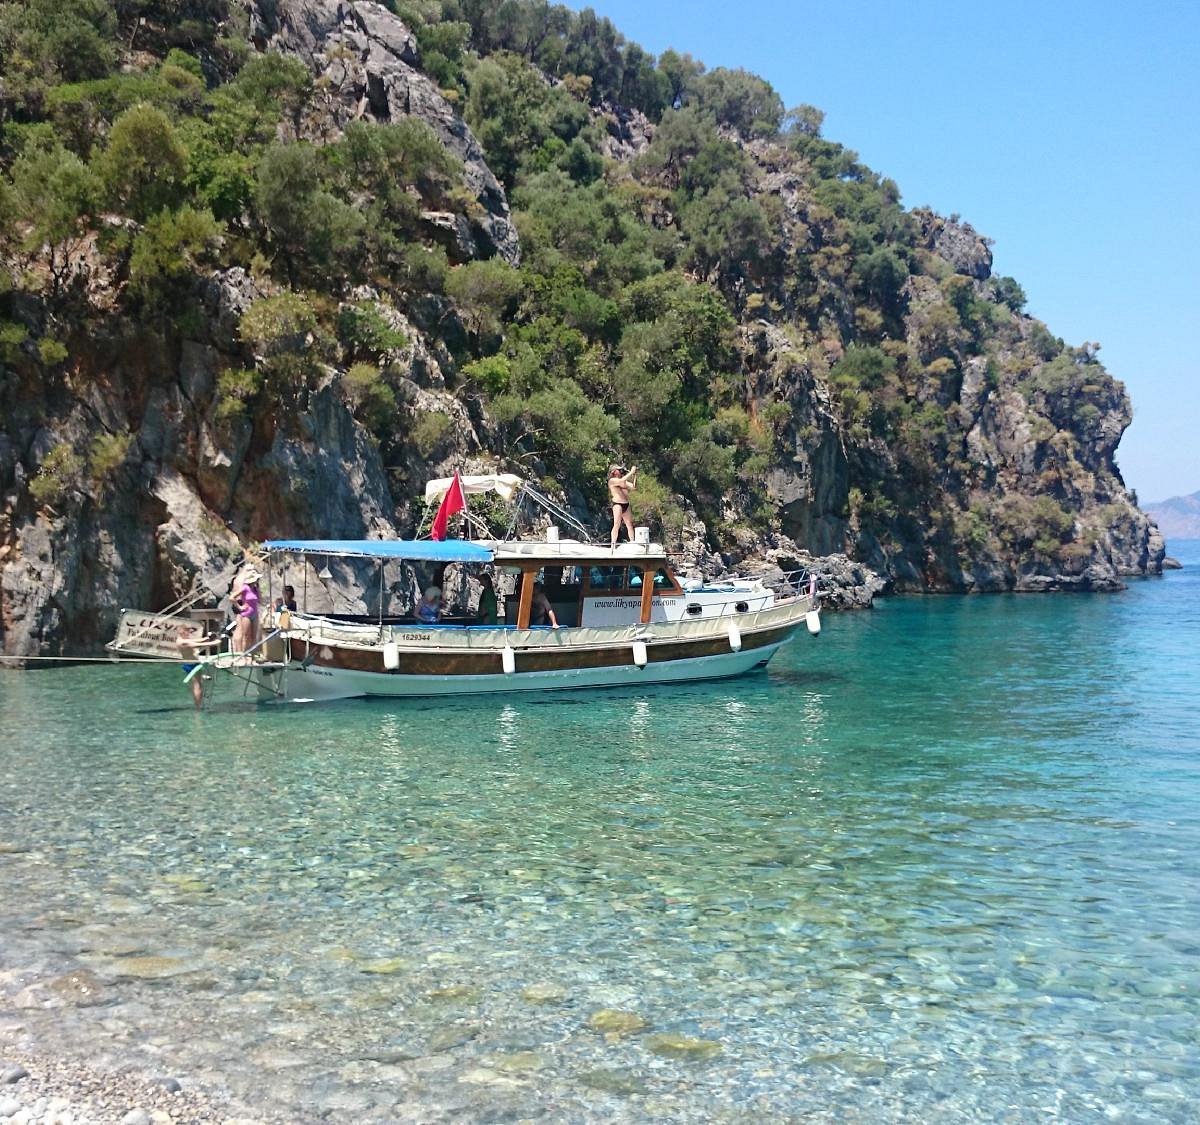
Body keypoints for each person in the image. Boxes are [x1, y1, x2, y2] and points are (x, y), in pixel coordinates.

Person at [176, 624, 220, 710]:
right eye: (188, 632)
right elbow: (195, 644)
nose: (189, 633)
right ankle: (198, 707)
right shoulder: (183, 642)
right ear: (183, 632)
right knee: (197, 686)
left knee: (197, 684)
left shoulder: (181, 640)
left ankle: (198, 704)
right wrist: (214, 643)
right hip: (192, 665)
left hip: (189, 664)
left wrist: (204, 639)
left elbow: (194, 641)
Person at [230, 568, 260, 654]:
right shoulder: (245, 588)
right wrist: (240, 607)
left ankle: (252, 656)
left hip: (255, 613)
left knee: (253, 637)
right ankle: (244, 655)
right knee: (246, 636)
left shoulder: (255, 589)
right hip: (246, 614)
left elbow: (259, 600)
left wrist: (258, 589)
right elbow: (232, 597)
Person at [608, 464, 638, 549]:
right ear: (613, 471)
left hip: (626, 504)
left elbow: (633, 487)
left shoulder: (623, 481)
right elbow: (621, 481)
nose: (620, 471)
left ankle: (633, 542)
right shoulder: (612, 480)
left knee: (629, 524)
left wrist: (635, 475)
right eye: (618, 470)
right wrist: (631, 472)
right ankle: (613, 545)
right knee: (616, 524)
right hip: (617, 504)